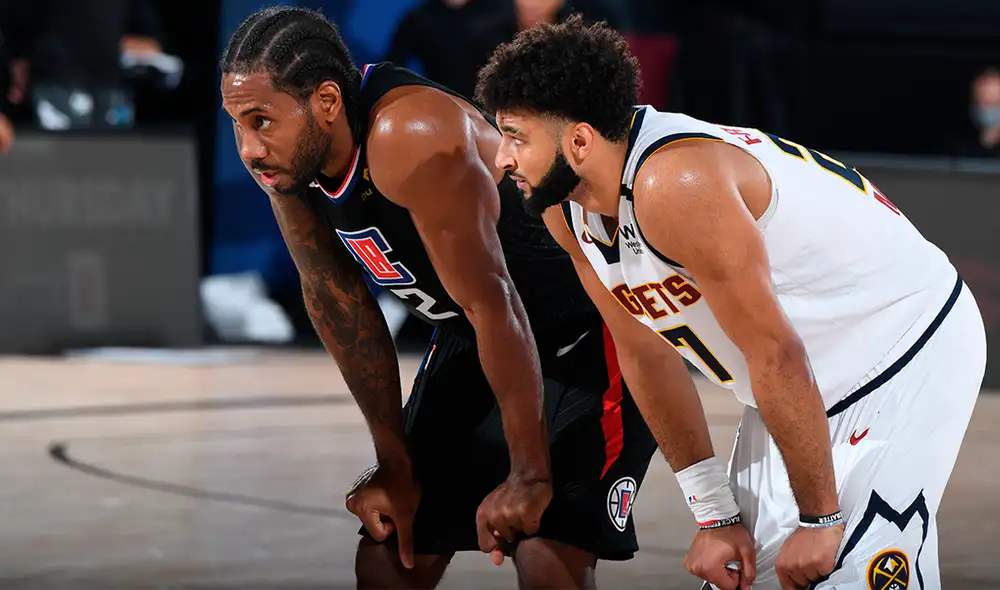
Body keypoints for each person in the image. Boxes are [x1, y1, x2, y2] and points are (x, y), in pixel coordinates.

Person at [475, 15, 987, 590]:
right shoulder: (563, 205)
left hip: (901, 346)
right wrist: (713, 514)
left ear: (579, 140)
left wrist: (821, 517)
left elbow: (773, 351)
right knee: (748, 577)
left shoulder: (674, 184)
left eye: (516, 136)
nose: (501, 158)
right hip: (802, 379)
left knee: (847, 571)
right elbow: (644, 353)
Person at [219, 7, 657, 590]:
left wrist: (528, 473)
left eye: (260, 120)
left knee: (547, 550)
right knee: (389, 551)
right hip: (480, 337)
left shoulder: (410, 135)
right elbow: (341, 306)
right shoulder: (289, 165)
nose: (248, 148)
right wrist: (394, 465)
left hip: (590, 325)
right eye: (236, 123)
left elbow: (494, 303)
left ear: (326, 101)